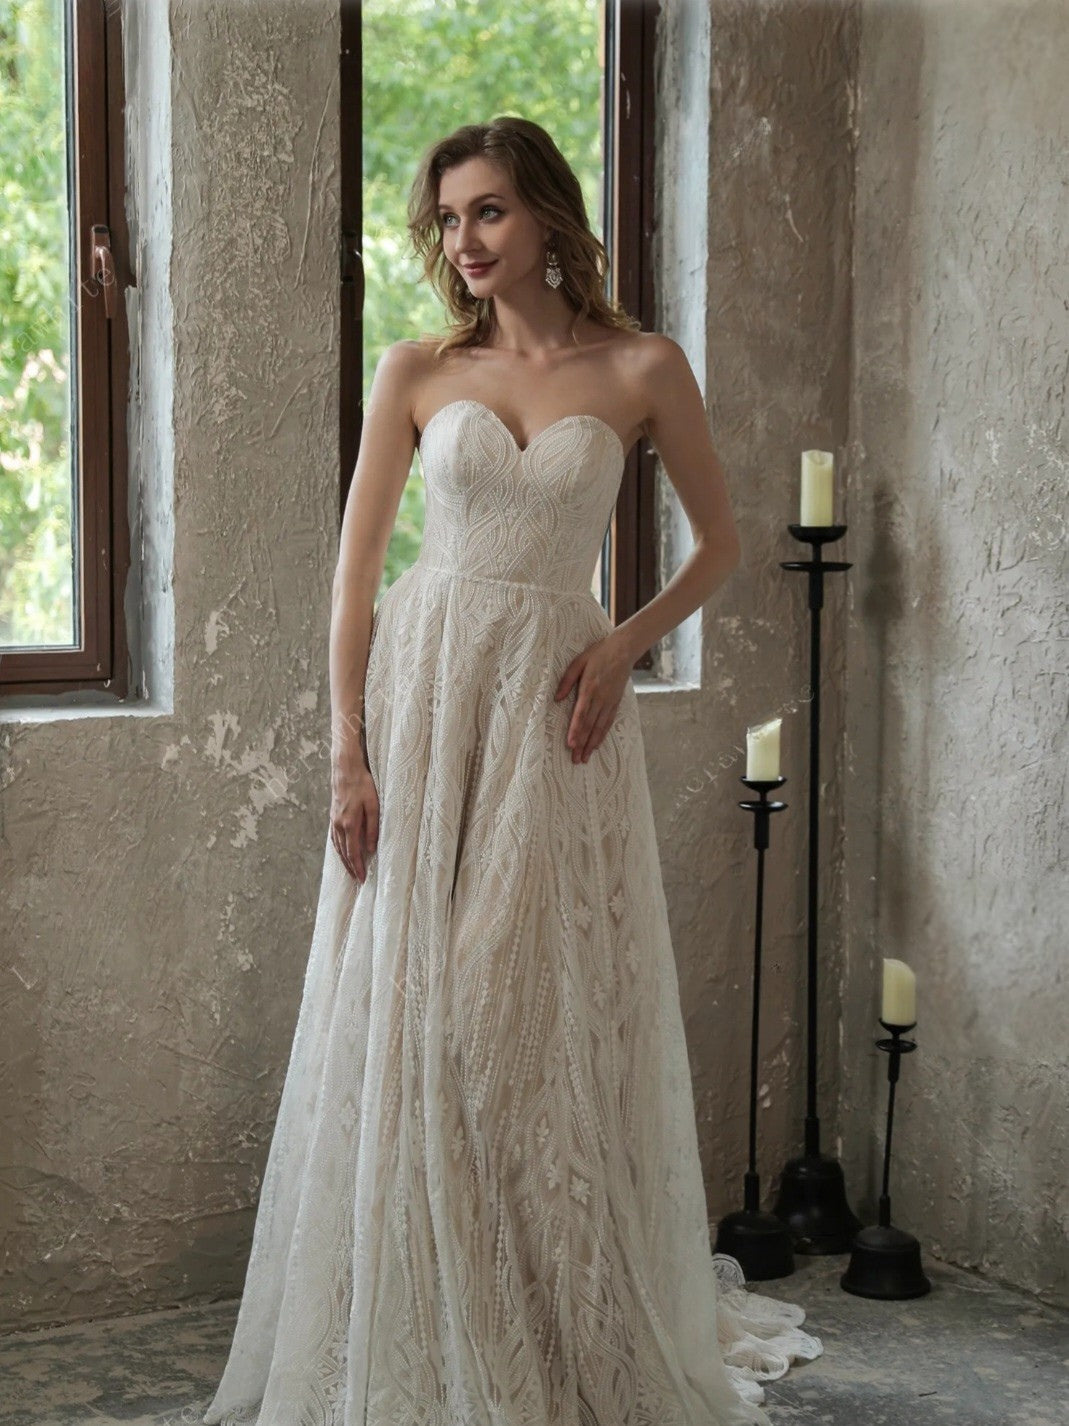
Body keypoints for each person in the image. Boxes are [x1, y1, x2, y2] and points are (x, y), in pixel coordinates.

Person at [201, 114, 822, 1426]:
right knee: (421, 1008)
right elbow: (357, 572)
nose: (463, 241)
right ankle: (427, 1309)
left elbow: (716, 544)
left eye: (486, 211)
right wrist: (349, 751)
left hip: (555, 710)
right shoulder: (418, 368)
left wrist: (622, 650)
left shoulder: (644, 364)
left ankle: (551, 1303)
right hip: (428, 700)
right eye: (446, 218)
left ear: (544, 212)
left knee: (526, 1009)